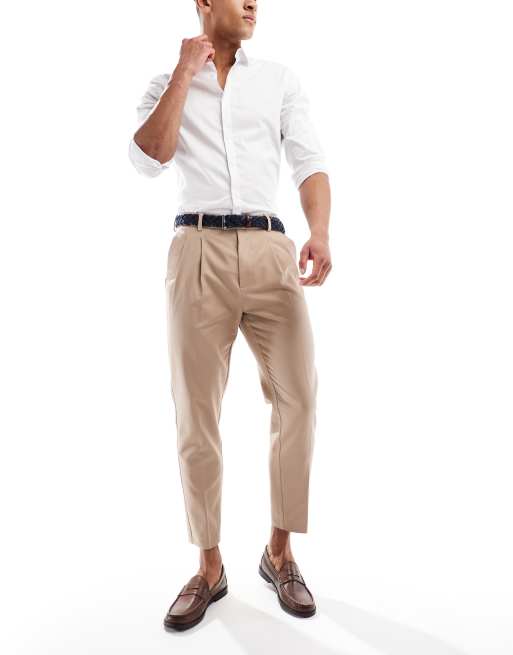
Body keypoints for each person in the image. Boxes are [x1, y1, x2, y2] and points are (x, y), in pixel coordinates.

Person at [128, 0, 332, 630]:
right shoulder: (167, 82)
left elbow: (310, 161)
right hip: (196, 248)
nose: (252, 4)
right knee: (197, 411)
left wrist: (319, 232)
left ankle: (279, 552)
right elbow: (147, 158)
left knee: (298, 398)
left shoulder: (278, 79)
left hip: (270, 249)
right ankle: (209, 565)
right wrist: (184, 73)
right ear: (202, 3)